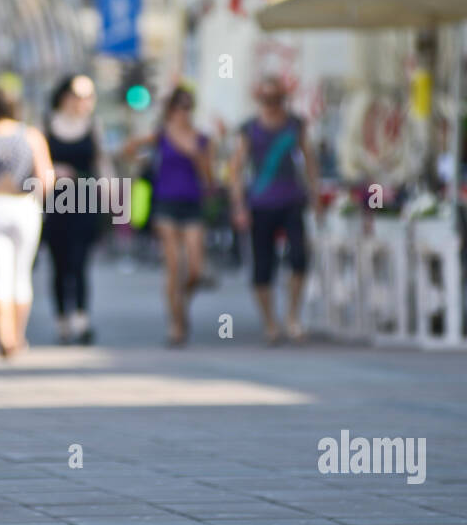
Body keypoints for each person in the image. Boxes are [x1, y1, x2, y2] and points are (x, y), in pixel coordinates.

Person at [228, 76, 322, 345]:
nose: (271, 106)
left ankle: (293, 316)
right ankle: (270, 321)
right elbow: (236, 168)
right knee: (262, 265)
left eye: (276, 100)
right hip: (260, 203)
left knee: (300, 257)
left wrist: (315, 196)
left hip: (292, 199)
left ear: (284, 99)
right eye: (266, 100)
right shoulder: (249, 128)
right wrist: (238, 206)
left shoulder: (296, 124)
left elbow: (310, 160)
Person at [122, 85, 215, 346]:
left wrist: (199, 159)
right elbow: (129, 149)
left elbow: (210, 179)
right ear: (171, 109)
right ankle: (176, 323)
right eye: (178, 107)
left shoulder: (201, 139)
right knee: (174, 265)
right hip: (165, 204)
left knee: (195, 268)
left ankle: (181, 301)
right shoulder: (161, 135)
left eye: (187, 107)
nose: (183, 112)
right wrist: (141, 156)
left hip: (192, 204)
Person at [0, 85, 53, 357]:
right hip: (24, 207)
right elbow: (46, 178)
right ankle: (18, 337)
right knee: (21, 275)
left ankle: (4, 338)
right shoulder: (31, 135)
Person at [43, 74, 112, 344]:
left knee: (81, 261)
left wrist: (110, 195)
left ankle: (81, 319)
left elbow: (102, 161)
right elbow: (36, 158)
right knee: (59, 263)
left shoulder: (93, 125)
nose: (85, 102)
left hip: (85, 201)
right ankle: (62, 320)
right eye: (79, 95)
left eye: (89, 96)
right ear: (65, 96)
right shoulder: (47, 123)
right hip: (56, 203)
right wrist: (52, 171)